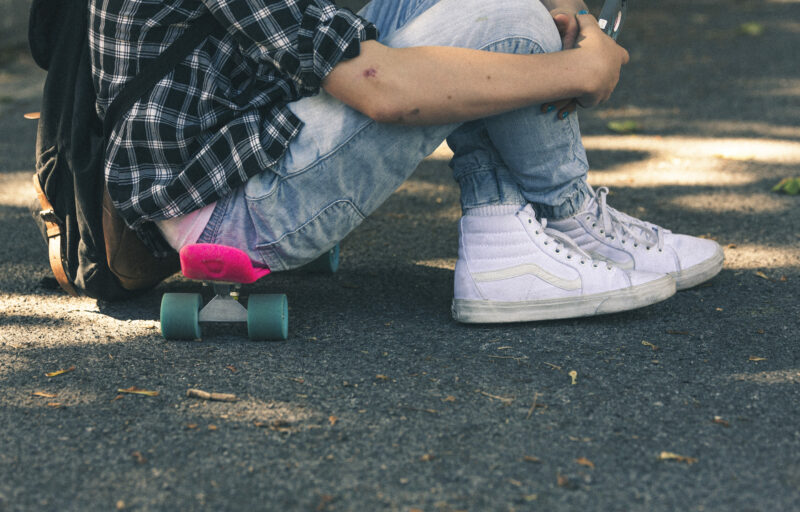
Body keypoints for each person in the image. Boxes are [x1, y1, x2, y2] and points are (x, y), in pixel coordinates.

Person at [89, 0, 723, 323]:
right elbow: (379, 87)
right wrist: (579, 67)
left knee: (506, 11)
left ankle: (528, 226)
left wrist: (574, 13)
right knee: (510, 24)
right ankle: (559, 214)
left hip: (240, 150)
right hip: (231, 216)